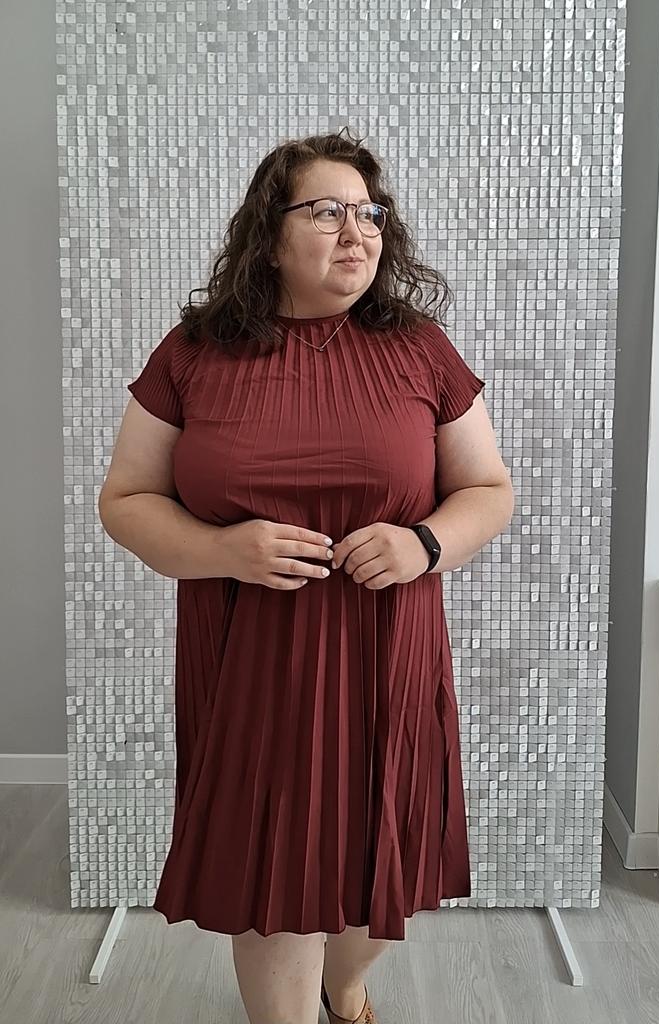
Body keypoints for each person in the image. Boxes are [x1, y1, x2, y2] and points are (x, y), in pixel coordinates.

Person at [98, 127, 514, 1024]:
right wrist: (222, 551)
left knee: (381, 869)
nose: (356, 232)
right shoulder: (193, 353)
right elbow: (125, 500)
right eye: (327, 212)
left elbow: (488, 488)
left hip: (387, 653)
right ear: (269, 234)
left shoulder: (420, 349)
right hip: (251, 663)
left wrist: (423, 545)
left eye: (369, 213)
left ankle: (344, 984)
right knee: (272, 876)